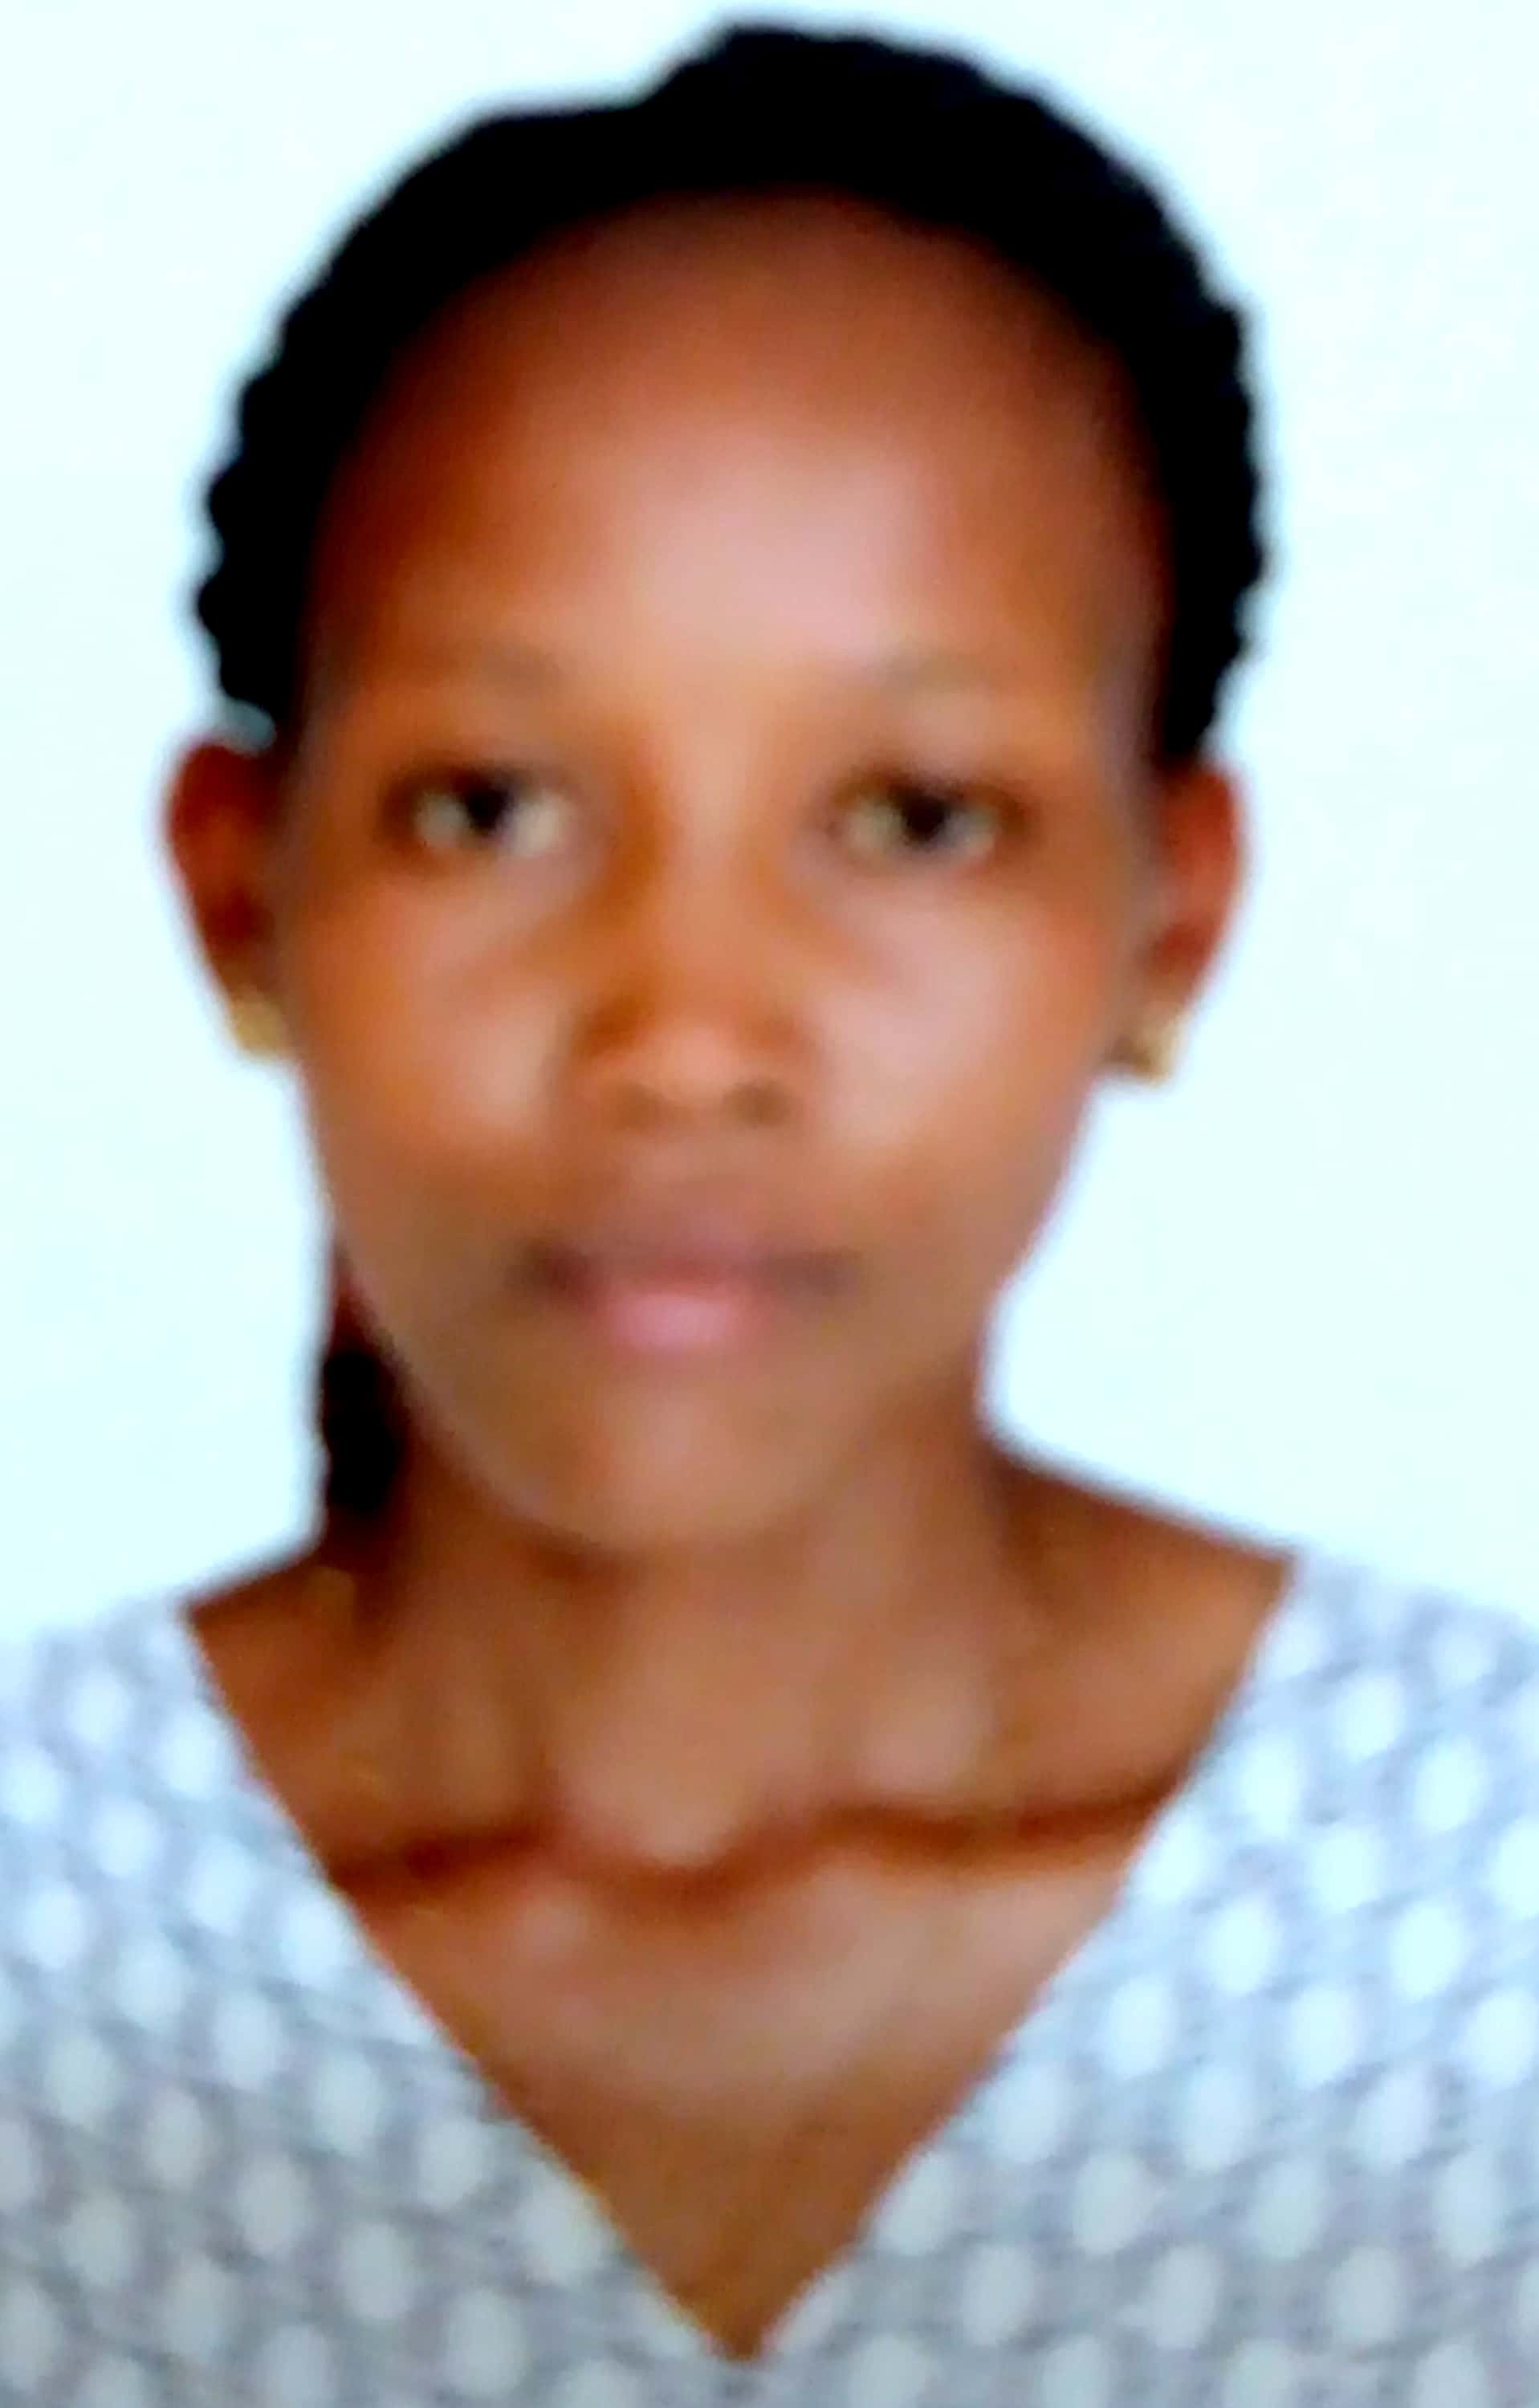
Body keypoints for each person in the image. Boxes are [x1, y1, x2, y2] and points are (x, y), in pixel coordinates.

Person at [2, 22, 1534, 2405]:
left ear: (1172, 914)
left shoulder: (1478, 1924)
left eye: (914, 818)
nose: (687, 1036)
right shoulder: (53, 1950)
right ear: (239, 888)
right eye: (490, 806)